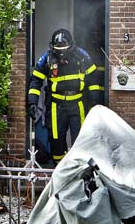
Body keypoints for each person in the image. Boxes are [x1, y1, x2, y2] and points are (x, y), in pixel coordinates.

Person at [27, 28, 103, 164]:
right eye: (57, 47)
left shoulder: (81, 56)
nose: (61, 51)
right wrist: (32, 102)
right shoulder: (47, 58)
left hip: (78, 104)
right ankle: (59, 170)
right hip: (57, 105)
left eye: (64, 47)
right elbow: (36, 80)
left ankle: (78, 170)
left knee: (80, 138)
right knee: (56, 139)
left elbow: (93, 79)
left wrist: (94, 101)